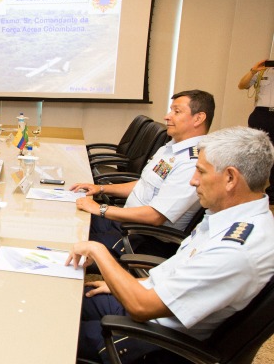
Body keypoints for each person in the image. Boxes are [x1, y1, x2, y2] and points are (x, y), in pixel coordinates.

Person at [69, 126, 274, 363]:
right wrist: (129, 282)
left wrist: (99, 251)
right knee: (60, 296)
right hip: (151, 305)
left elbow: (141, 307)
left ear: (230, 178)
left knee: (45, 324)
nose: (193, 181)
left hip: (148, 338)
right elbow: (179, 274)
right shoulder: (232, 217)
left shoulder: (236, 250)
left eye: (201, 172)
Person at [71, 90, 215, 258]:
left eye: (176, 111)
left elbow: (155, 217)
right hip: (123, 222)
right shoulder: (172, 149)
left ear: (198, 118)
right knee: (69, 218)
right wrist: (100, 188)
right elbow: (144, 184)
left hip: (140, 239)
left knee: (67, 242)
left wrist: (101, 208)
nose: (167, 116)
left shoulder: (191, 163)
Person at [238, 59, 274, 204]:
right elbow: (242, 85)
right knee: (256, 152)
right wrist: (254, 69)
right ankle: (250, 189)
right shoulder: (262, 71)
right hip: (261, 113)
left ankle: (272, 193)